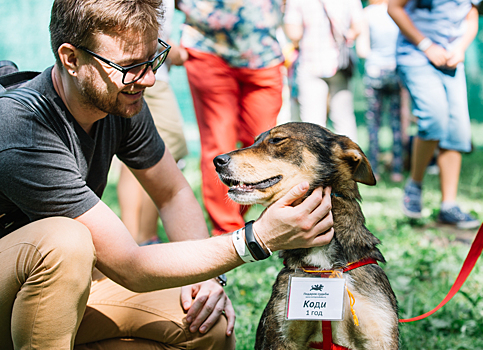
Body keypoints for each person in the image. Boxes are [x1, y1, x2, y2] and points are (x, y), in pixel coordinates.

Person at [0, 0, 335, 349]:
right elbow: (130, 264)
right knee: (65, 240)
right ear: (71, 59)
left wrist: (207, 281)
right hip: (15, 289)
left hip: (54, 291)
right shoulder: (19, 128)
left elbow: (172, 192)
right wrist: (254, 238)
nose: (149, 79)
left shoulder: (120, 102)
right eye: (130, 66)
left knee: (207, 327)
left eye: (152, 58)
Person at [171, 0, 285, 236]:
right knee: (219, 142)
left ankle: (236, 216)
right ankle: (226, 231)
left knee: (262, 144)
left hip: (263, 54)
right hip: (208, 50)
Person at [388, 0, 481, 229]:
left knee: (457, 130)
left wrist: (460, 48)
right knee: (434, 118)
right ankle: (415, 184)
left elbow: (471, 16)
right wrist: (426, 45)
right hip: (416, 56)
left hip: (452, 60)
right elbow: (393, 7)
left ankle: (448, 206)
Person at [117, 0, 189, 245]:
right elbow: (134, 22)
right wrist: (171, 50)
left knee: (135, 149)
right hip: (144, 72)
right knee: (164, 149)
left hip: (149, 70)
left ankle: (134, 237)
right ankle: (144, 238)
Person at [283, 0, 365, 142]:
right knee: (344, 119)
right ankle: (350, 161)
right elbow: (358, 26)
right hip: (339, 63)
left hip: (310, 63)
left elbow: (294, 33)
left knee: (313, 124)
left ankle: (316, 163)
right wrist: (346, 36)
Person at [356, 0, 404, 182]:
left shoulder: (367, 14)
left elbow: (362, 50)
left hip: (374, 73)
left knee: (373, 125)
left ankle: (373, 169)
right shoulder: (399, 10)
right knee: (397, 125)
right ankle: (397, 171)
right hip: (396, 73)